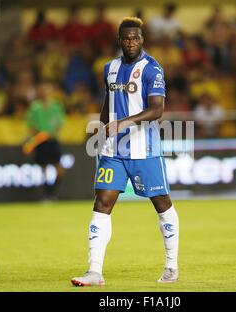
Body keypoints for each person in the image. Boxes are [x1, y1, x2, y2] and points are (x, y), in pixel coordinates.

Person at [71, 17, 179, 286]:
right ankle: (94, 271)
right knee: (102, 203)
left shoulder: (152, 69)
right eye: (126, 38)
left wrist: (123, 123)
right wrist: (102, 126)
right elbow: (108, 102)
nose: (131, 42)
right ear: (120, 41)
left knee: (162, 204)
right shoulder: (110, 68)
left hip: (145, 150)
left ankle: (171, 266)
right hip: (114, 150)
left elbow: (157, 110)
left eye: (136, 38)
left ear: (142, 40)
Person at [26, 81, 66, 201]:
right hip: (40, 141)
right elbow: (31, 124)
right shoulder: (35, 107)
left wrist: (52, 133)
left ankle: (53, 193)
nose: (44, 92)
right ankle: (46, 195)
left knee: (59, 168)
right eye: (42, 90)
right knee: (42, 168)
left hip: (53, 140)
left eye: (47, 90)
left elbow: (60, 123)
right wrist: (39, 134)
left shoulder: (56, 106)